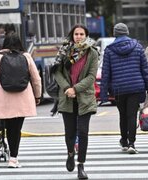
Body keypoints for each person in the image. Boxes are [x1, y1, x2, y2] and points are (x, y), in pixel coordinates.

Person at [0, 33, 41, 168]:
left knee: (8, 127)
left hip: (4, 98)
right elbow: (36, 79)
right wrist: (38, 96)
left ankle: (10, 154)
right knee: (17, 129)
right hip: (23, 98)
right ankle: (13, 158)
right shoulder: (26, 56)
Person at [53, 24, 98, 179]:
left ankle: (81, 165)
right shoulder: (64, 51)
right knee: (70, 133)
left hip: (85, 97)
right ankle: (71, 153)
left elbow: (91, 77)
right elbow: (57, 72)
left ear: (86, 35)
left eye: (81, 34)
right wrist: (67, 88)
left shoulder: (92, 53)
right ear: (72, 35)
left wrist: (75, 89)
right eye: (76, 34)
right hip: (67, 97)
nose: (78, 36)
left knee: (83, 132)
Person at [100, 23, 148, 154]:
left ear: (115, 34)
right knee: (132, 115)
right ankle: (131, 143)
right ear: (127, 32)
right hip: (136, 87)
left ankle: (124, 140)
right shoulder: (138, 47)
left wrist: (104, 94)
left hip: (118, 89)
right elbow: (144, 70)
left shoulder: (109, 50)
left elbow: (106, 73)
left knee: (122, 115)